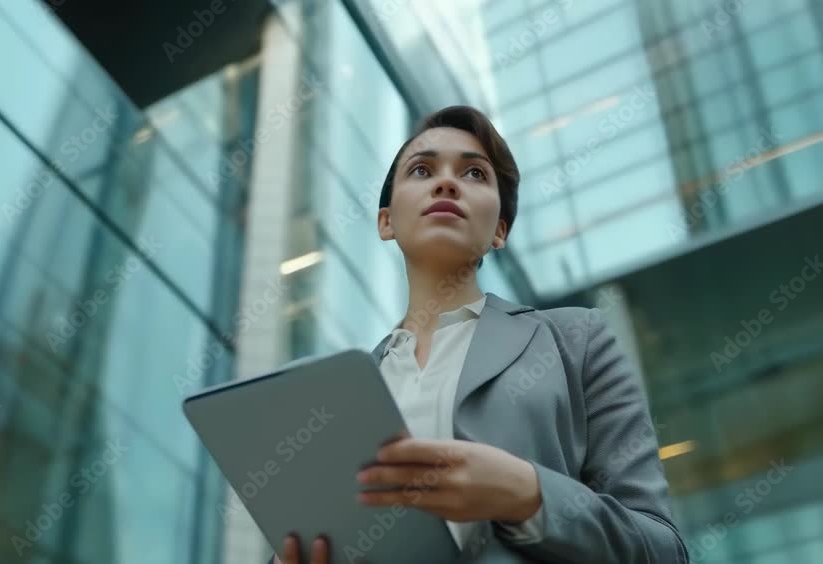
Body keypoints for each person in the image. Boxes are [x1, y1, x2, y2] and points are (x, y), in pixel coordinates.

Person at [272, 106, 688, 563]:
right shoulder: (341, 393)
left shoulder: (576, 340)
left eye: (474, 173)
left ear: (499, 231)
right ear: (386, 221)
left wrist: (527, 493)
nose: (446, 183)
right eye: (422, 170)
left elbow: (663, 550)